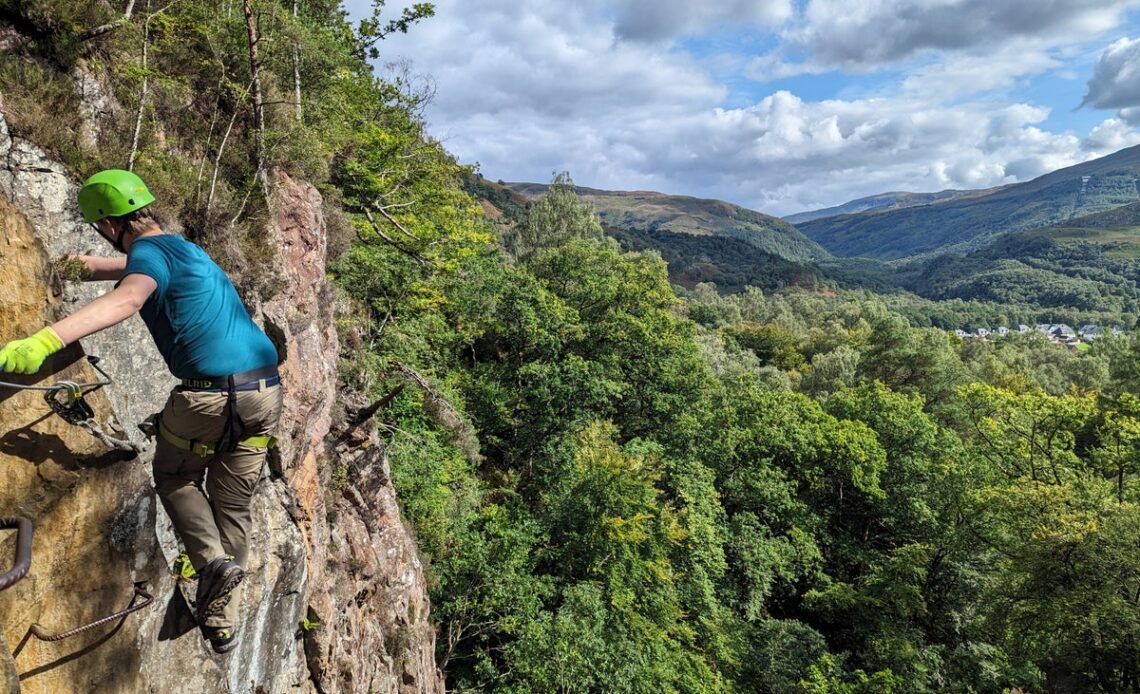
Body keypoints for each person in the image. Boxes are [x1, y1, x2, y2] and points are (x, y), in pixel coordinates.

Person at [0, 169, 282, 654]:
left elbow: (130, 295)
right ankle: (222, 620)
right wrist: (70, 266)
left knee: (174, 476)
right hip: (264, 394)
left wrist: (46, 340)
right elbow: (129, 267)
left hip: (206, 398)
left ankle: (212, 563)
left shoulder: (148, 256)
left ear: (108, 223)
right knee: (232, 504)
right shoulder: (182, 248)